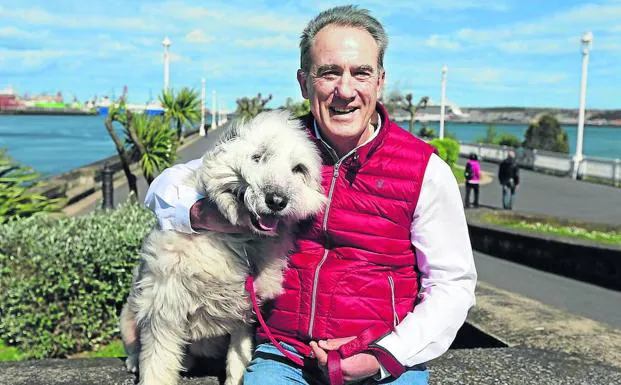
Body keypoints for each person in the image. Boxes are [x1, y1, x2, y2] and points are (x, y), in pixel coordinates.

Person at [145, 5, 476, 385]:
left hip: (381, 352)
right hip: (285, 351)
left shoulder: (424, 170)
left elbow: (453, 285)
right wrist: (206, 215)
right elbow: (165, 187)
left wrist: (384, 356)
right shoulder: (278, 142)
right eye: (329, 73)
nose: (345, 91)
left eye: (361, 73)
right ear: (304, 83)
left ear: (380, 81)